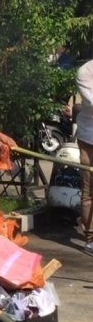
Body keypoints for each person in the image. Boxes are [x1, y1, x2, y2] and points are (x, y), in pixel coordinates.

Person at [75, 59, 93, 254]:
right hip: (89, 138)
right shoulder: (85, 72)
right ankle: (90, 237)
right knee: (89, 189)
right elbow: (91, 102)